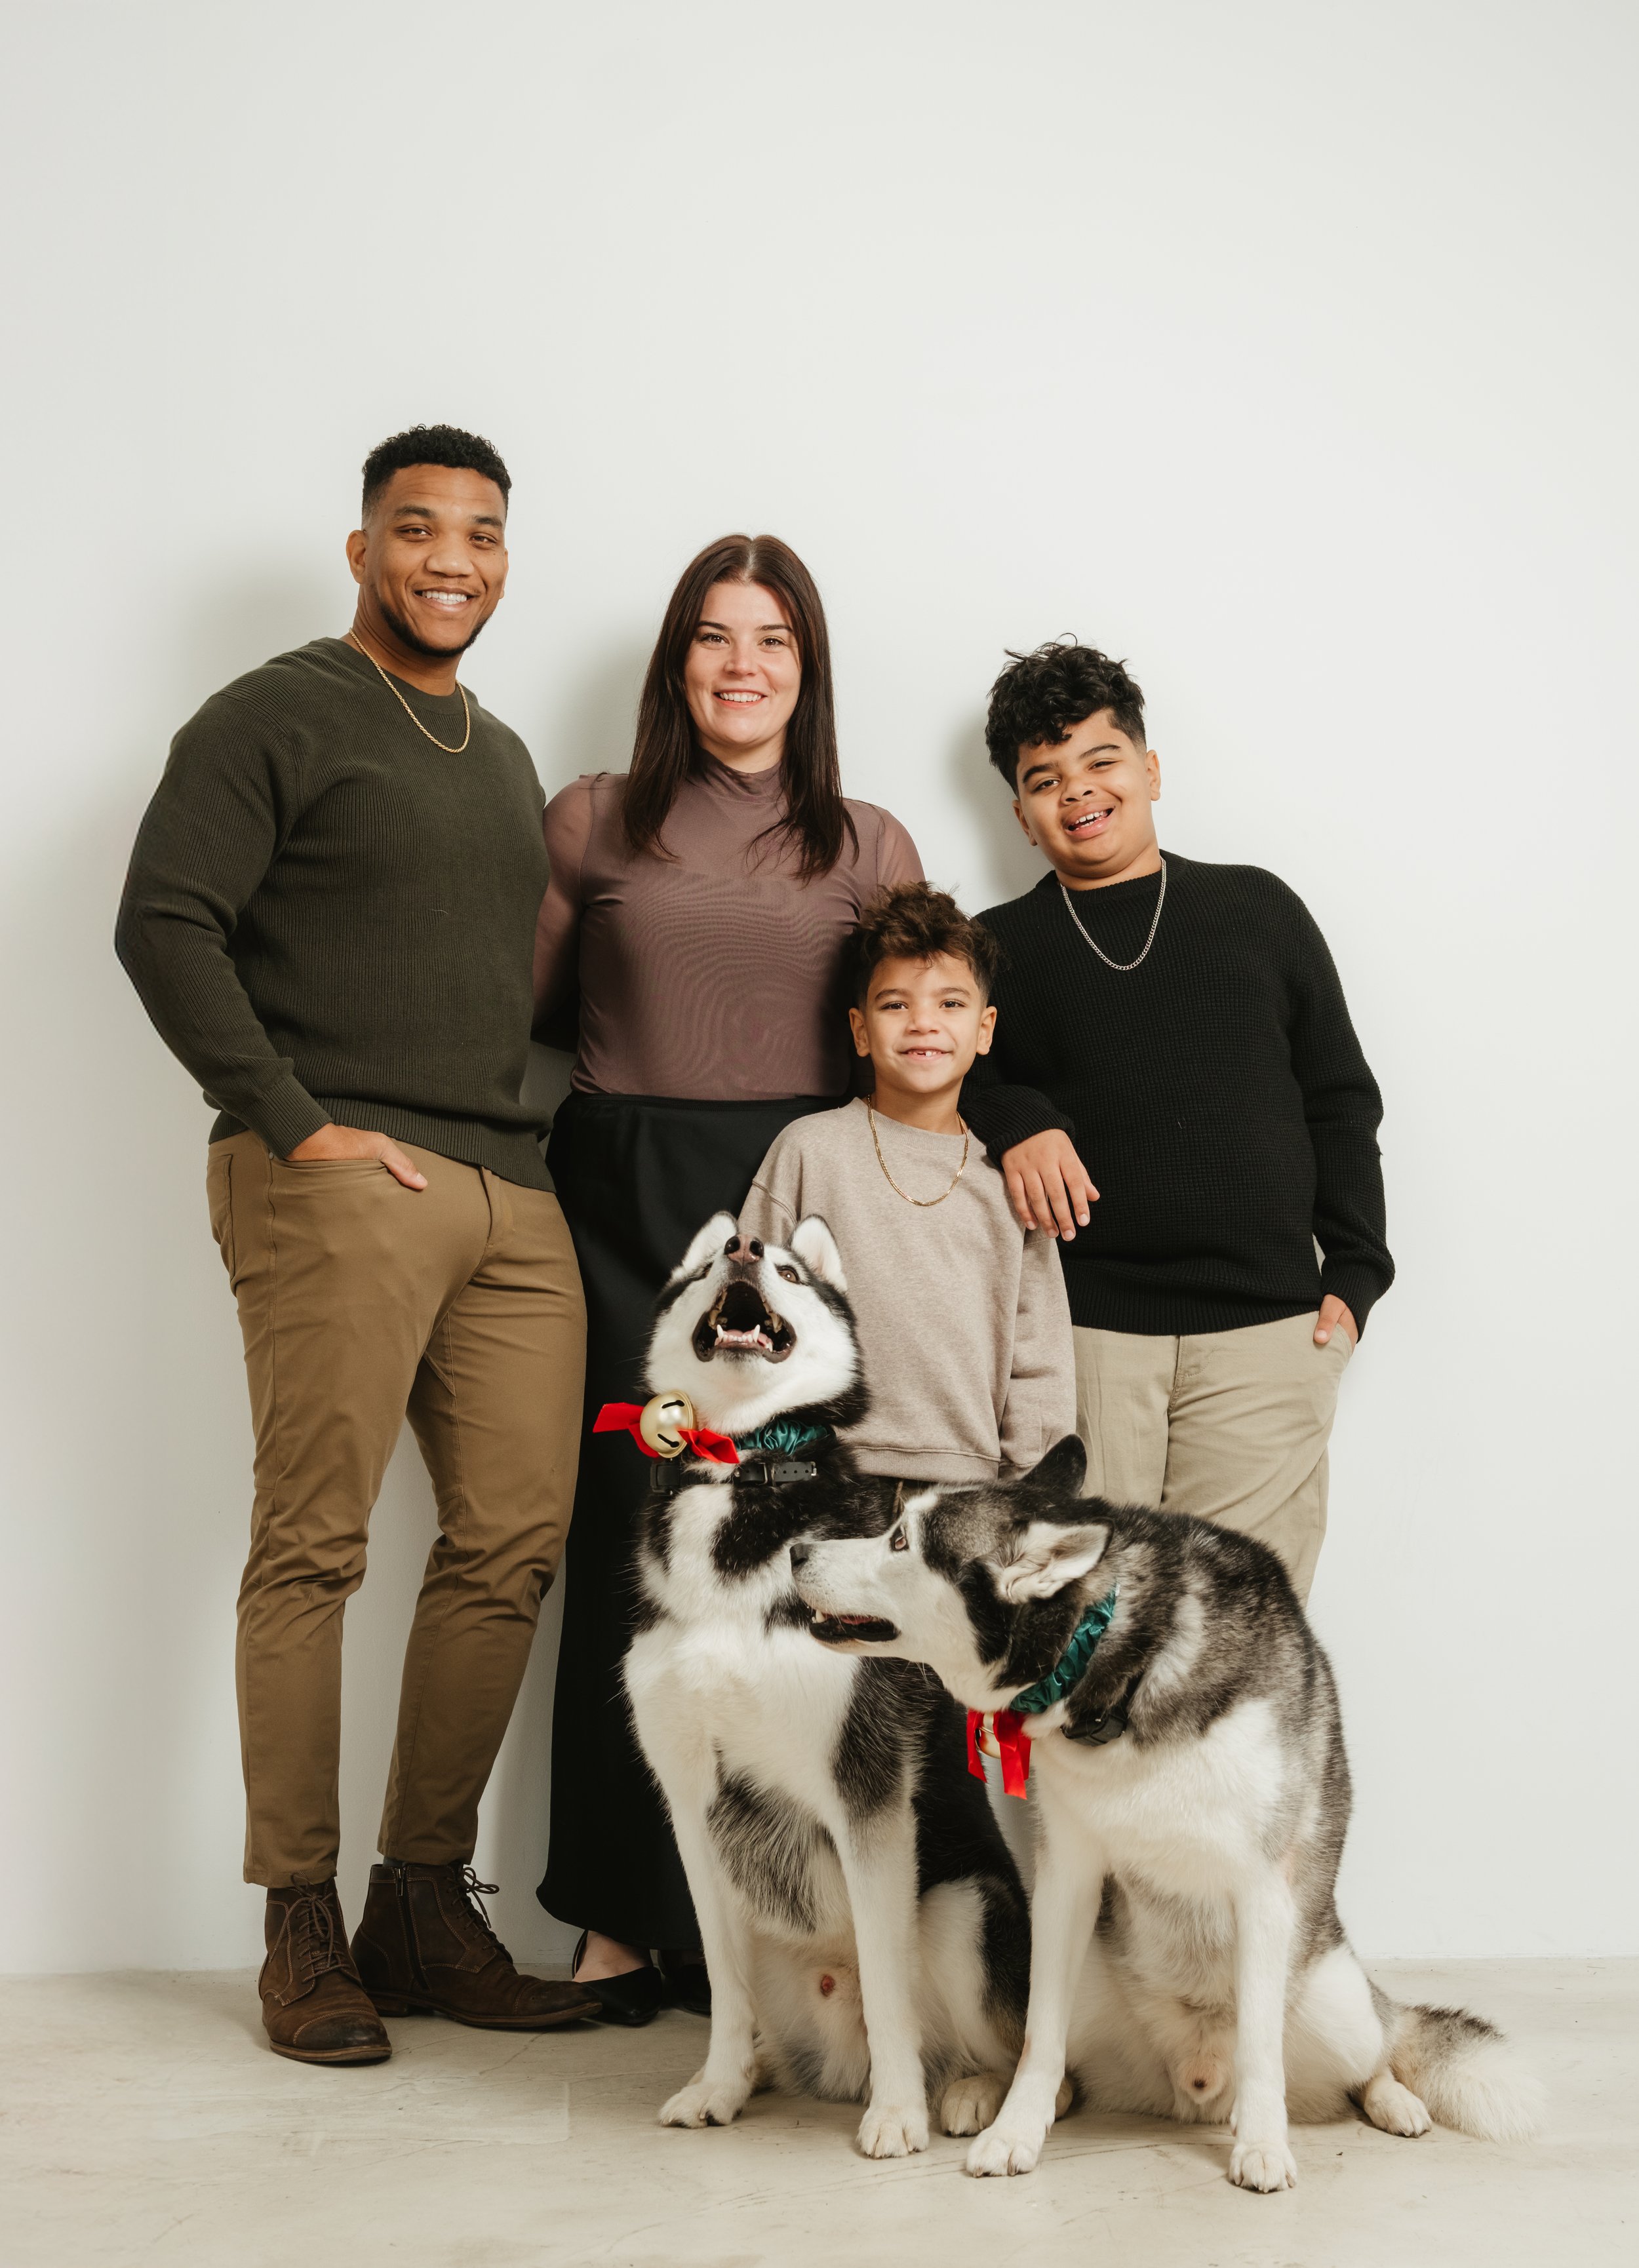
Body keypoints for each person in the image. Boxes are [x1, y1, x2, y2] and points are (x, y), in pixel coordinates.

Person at [115, 425, 596, 2065]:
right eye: (416, 529)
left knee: (512, 1540)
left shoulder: (508, 748)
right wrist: (288, 1117)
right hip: (337, 1172)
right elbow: (162, 917)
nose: (450, 558)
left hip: (505, 1188)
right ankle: (300, 1921)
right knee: (314, 1542)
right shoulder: (276, 711)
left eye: (479, 532)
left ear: (505, 556)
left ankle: (419, 1898)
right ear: (361, 548)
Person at [533, 534, 923, 2020]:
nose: (741, 663)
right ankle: (617, 1920)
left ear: (807, 669)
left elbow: (923, 1025)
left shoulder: (869, 841)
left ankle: (765, 1923)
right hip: (619, 1207)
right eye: (712, 635)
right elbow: (517, 1010)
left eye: (771, 638)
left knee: (791, 1560)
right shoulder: (590, 818)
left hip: (796, 1216)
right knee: (626, 1551)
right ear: (675, 660)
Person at [961, 640, 1393, 1603]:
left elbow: (1339, 1095)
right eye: (1045, 780)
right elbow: (938, 1078)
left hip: (1266, 1333)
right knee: (1078, 1636)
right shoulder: (997, 947)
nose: (1078, 792)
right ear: (1024, 817)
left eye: (1101, 761)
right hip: (1083, 1337)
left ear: (1149, 771)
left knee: (1236, 1652)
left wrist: (1359, 1271)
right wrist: (1018, 1112)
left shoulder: (1257, 909)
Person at [741, 883, 1074, 1489]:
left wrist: (1035, 1496)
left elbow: (1039, 1355)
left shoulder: (1009, 1177)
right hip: (819, 1479)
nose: (924, 1022)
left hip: (963, 1493)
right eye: (895, 1005)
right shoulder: (809, 1150)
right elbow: (748, 1311)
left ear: (985, 1028)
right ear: (861, 1029)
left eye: (951, 1004)